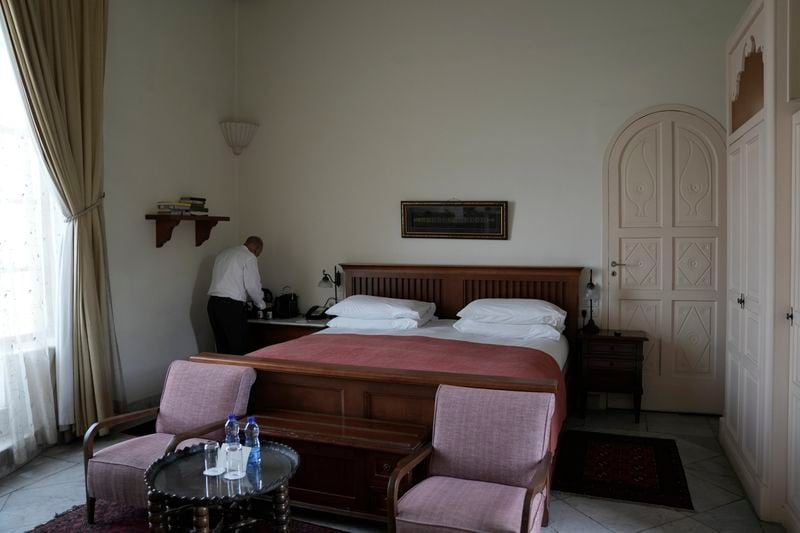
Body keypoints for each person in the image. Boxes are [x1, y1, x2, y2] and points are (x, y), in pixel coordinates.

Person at [207, 236, 266, 355]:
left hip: (213, 304)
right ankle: (239, 374)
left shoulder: (223, 254)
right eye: (259, 253)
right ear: (256, 248)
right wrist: (261, 304)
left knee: (222, 346)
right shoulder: (249, 257)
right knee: (238, 347)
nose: (257, 256)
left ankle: (224, 373)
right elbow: (252, 286)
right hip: (230, 306)